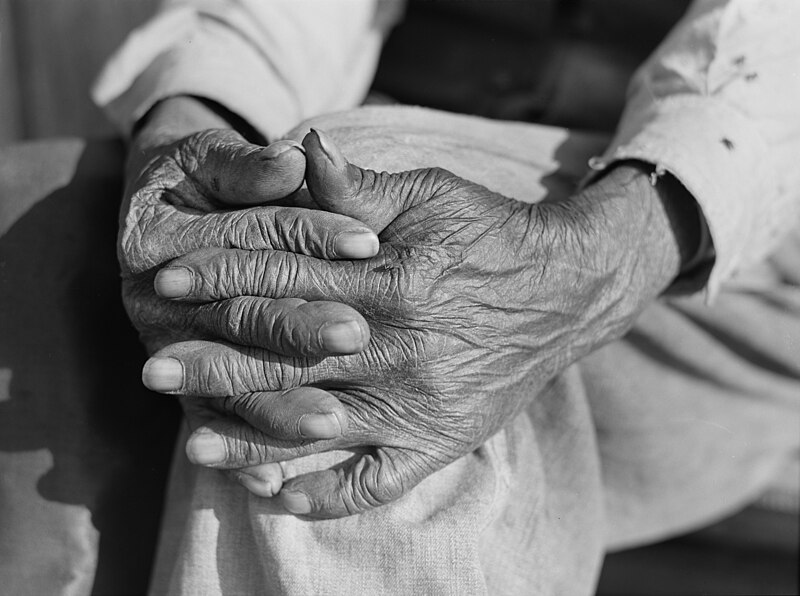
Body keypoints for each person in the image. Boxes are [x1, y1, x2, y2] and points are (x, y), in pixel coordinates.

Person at [89, 1, 800, 593]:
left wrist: (617, 244)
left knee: (377, 259)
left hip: (736, 267)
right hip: (422, 142)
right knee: (334, 242)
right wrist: (189, 124)